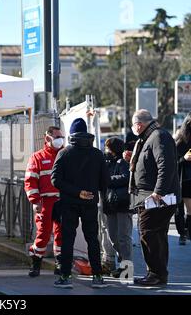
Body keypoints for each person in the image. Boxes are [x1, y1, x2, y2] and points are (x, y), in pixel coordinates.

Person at [51, 118, 109, 289]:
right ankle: (97, 276)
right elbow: (105, 181)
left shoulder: (64, 153)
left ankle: (65, 276)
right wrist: (90, 191)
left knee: (68, 239)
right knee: (92, 238)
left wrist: (76, 192)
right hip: (90, 202)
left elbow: (55, 180)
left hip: (69, 202)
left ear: (71, 134)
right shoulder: (97, 154)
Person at [129, 110, 180, 286]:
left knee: (149, 234)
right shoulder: (150, 137)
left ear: (139, 125)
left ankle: (156, 274)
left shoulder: (158, 136)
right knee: (155, 235)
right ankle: (158, 273)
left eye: (133, 124)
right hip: (150, 197)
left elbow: (165, 165)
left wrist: (159, 191)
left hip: (156, 198)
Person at [24, 126, 64, 277]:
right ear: (47, 138)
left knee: (61, 234)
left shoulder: (64, 154)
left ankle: (59, 264)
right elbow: (30, 181)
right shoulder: (37, 157)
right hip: (45, 202)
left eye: (62, 136)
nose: (61, 139)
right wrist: (35, 201)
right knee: (43, 234)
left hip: (62, 201)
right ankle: (36, 263)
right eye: (57, 136)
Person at [102, 138, 133, 278]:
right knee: (113, 237)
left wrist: (108, 179)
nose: (106, 151)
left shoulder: (123, 162)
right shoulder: (108, 162)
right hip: (110, 204)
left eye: (108, 148)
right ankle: (122, 264)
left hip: (122, 204)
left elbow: (126, 178)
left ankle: (127, 270)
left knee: (123, 237)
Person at [175, 112, 191, 245]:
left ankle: (187, 231)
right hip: (181, 179)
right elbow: (171, 162)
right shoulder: (180, 141)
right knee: (180, 208)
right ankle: (182, 233)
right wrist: (183, 159)